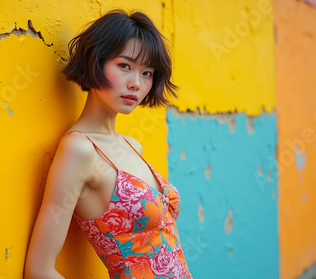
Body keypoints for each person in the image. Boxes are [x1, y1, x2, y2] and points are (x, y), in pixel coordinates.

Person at [24, 9, 193, 279]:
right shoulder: (80, 150)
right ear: (95, 61)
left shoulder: (132, 146)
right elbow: (38, 270)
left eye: (147, 73)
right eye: (124, 66)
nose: (136, 83)